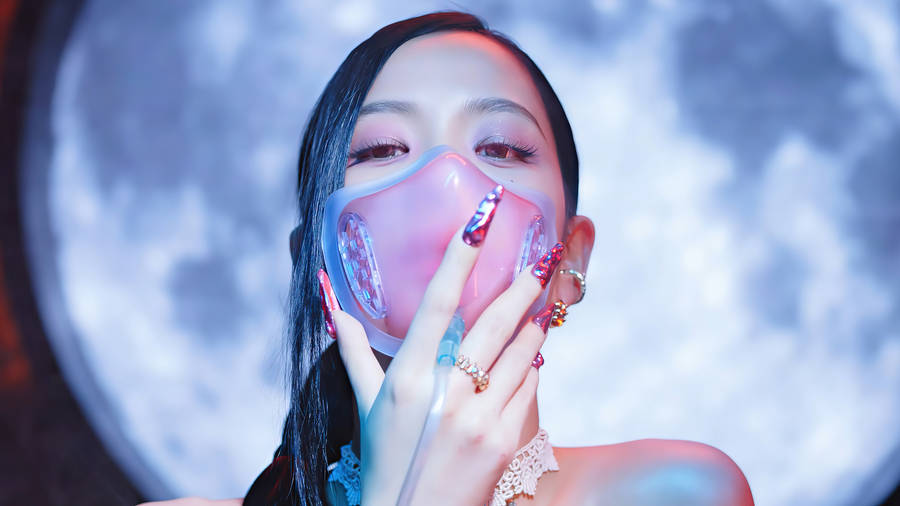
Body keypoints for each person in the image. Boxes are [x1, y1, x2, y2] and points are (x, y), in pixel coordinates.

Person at [143, 10, 754, 506]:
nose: (446, 183)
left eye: (502, 148)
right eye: (383, 148)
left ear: (571, 260)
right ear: (316, 262)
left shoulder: (677, 493)